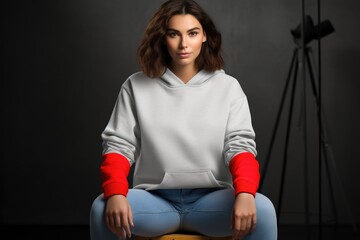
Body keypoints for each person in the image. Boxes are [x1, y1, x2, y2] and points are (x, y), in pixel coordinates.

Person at [90, 0, 277, 239]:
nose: (183, 44)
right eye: (173, 34)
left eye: (192, 33)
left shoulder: (228, 87)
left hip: (211, 203)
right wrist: (116, 193)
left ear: (205, 36)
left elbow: (240, 147)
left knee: (263, 209)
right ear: (162, 38)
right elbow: (118, 146)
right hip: (155, 203)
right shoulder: (135, 85)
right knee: (100, 209)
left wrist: (245, 194)